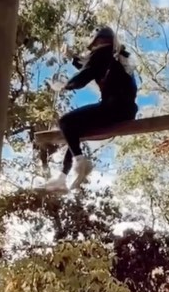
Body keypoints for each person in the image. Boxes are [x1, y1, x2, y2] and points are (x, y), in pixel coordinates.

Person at [40, 26, 138, 193]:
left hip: (113, 107)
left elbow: (87, 73)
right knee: (75, 131)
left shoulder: (104, 52)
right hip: (125, 110)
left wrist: (65, 86)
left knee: (65, 121)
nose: (91, 49)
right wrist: (71, 57)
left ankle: (81, 163)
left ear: (98, 41)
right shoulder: (116, 58)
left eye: (92, 46)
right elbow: (89, 66)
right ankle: (62, 178)